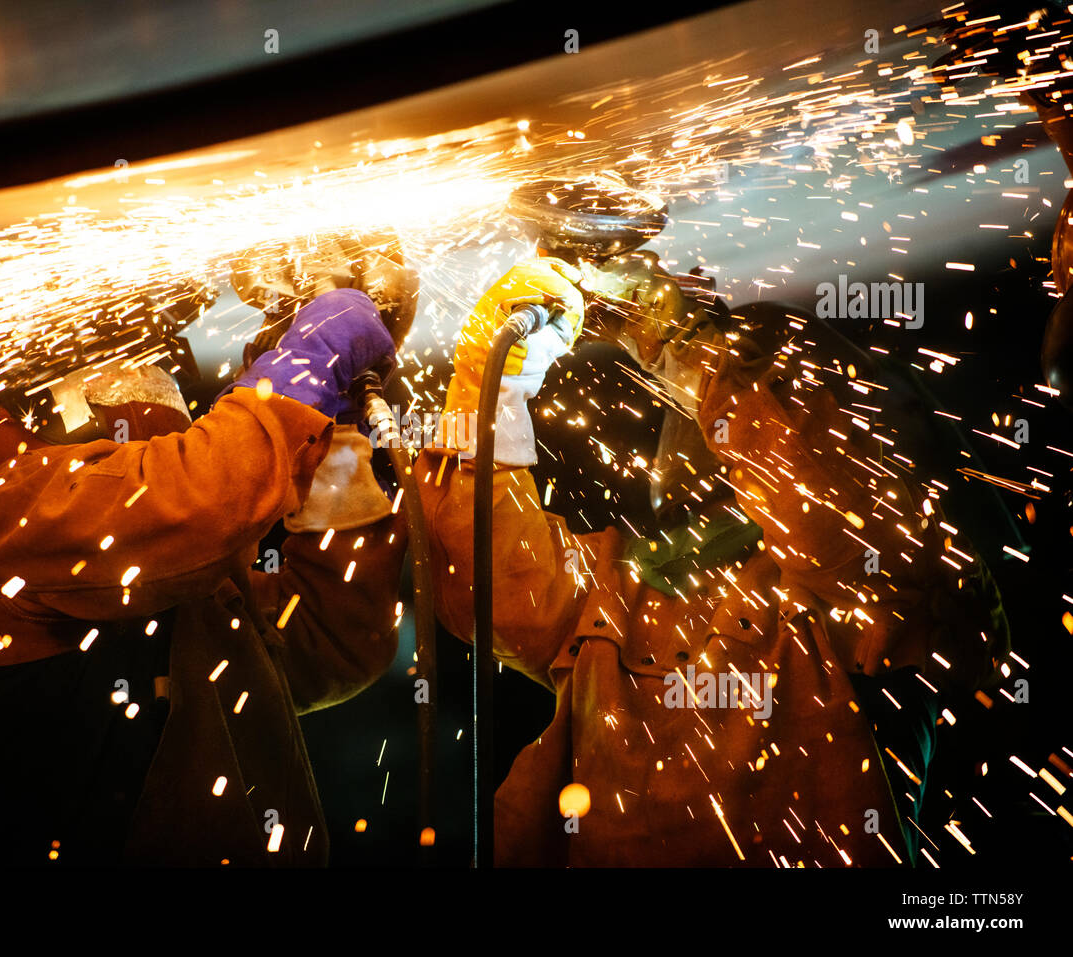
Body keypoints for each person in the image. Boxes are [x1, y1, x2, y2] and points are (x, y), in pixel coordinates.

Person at [419, 253, 1009, 866]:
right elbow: (481, 574)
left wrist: (691, 346)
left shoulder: (872, 593)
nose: (714, 440)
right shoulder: (620, 593)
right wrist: (488, 383)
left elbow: (831, 502)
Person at [0, 287, 407, 866]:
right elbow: (202, 497)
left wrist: (332, 430)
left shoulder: (165, 567)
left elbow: (334, 639)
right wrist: (303, 367)